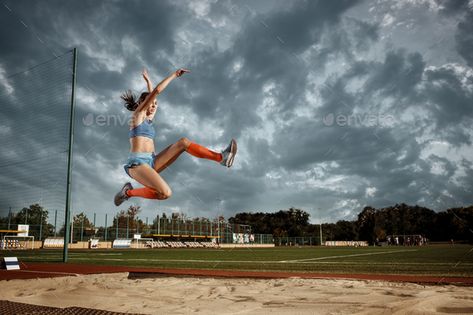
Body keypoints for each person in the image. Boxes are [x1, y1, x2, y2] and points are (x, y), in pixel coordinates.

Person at [114, 68, 237, 206]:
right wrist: (174, 75)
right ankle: (127, 193)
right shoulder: (137, 116)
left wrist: (149, 82)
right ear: (143, 104)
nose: (154, 106)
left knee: (183, 142)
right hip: (137, 165)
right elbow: (156, 92)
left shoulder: (148, 119)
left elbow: (154, 96)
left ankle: (221, 158)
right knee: (165, 193)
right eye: (151, 103)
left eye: (155, 104)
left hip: (152, 161)